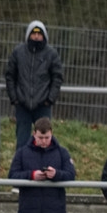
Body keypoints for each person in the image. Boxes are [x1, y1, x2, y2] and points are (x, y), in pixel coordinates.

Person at [5, 20, 64, 149]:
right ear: (28, 35)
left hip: (43, 105)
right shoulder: (18, 52)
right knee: (22, 143)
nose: (36, 37)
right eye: (33, 34)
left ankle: (44, 168)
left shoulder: (51, 54)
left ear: (44, 36)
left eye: (39, 34)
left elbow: (57, 77)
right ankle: (22, 169)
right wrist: (14, 98)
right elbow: (10, 75)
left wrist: (50, 99)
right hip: (22, 105)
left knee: (45, 142)